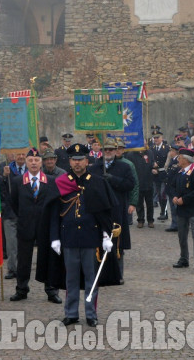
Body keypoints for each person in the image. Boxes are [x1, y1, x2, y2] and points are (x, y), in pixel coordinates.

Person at [49, 143, 116, 327]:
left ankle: (90, 314)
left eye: (80, 160)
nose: (77, 163)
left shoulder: (97, 182)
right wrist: (54, 237)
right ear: (69, 161)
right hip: (68, 238)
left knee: (91, 280)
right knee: (70, 279)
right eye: (73, 160)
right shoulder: (61, 182)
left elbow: (105, 212)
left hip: (90, 238)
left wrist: (105, 235)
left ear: (87, 160)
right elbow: (54, 212)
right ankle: (71, 314)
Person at [9, 148, 61, 304]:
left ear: (41, 162)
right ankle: (21, 289)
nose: (33, 163)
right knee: (24, 260)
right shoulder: (18, 181)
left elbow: (54, 204)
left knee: (48, 259)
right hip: (26, 226)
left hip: (44, 227)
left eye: (36, 160)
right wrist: (25, 217)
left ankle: (51, 290)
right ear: (26, 162)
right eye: (30, 160)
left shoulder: (50, 180)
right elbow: (14, 203)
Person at [90, 139, 135, 280]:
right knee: (98, 243)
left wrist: (113, 179)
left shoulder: (124, 167)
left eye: (111, 150)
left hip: (117, 210)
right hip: (99, 210)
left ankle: (118, 274)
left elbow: (130, 184)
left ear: (116, 151)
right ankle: (99, 274)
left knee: (117, 244)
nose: (108, 152)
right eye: (105, 150)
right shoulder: (94, 168)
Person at [171, 148, 194, 273]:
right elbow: (173, 186)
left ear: (185, 159)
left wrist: (184, 199)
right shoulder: (179, 172)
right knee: (182, 236)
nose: (178, 160)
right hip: (181, 209)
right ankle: (184, 258)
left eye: (179, 157)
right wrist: (175, 196)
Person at [0, 154, 18, 280]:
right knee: (11, 244)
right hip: (9, 212)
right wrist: (5, 176)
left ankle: (23, 267)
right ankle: (12, 268)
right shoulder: (2, 167)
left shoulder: (30, 167)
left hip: (25, 214)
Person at [126, 145, 154, 228]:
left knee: (150, 203)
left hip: (148, 181)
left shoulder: (149, 152)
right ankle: (140, 220)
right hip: (137, 183)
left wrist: (154, 167)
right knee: (139, 203)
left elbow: (152, 163)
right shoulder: (131, 154)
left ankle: (150, 220)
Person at [115, 138, 138, 226]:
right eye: (115, 148)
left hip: (125, 198)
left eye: (120, 148)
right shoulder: (107, 163)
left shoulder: (129, 164)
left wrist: (133, 202)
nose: (117, 150)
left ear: (123, 150)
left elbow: (135, 184)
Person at [150, 128, 169, 220]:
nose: (156, 139)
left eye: (157, 137)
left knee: (163, 194)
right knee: (158, 194)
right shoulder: (151, 149)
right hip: (155, 175)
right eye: (154, 138)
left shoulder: (167, 148)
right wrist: (153, 168)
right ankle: (162, 211)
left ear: (161, 138)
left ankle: (164, 212)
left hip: (164, 175)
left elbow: (168, 162)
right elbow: (150, 161)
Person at [163, 144, 181, 232]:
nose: (170, 153)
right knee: (173, 208)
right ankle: (174, 224)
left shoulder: (178, 161)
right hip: (170, 187)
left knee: (175, 208)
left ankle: (177, 224)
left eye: (171, 151)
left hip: (175, 188)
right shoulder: (172, 160)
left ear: (175, 152)